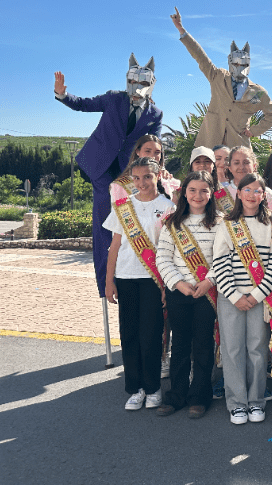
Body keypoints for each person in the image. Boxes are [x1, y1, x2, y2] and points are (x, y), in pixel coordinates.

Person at [53, 59, 162, 298]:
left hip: (129, 174)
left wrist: (158, 169)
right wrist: (63, 95)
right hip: (101, 168)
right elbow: (84, 104)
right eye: (132, 80)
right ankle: (105, 284)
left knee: (130, 223)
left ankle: (134, 275)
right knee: (104, 224)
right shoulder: (114, 98)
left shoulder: (155, 114)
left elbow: (155, 146)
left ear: (152, 84)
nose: (136, 86)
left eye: (143, 83)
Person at [103, 157, 174, 410]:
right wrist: (108, 281)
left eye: (147, 177)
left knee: (151, 335)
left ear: (157, 176)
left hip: (153, 279)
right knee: (129, 334)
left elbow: (170, 249)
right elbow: (114, 246)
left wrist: (166, 285)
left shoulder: (168, 207)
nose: (141, 182)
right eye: (136, 178)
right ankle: (135, 388)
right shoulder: (123, 207)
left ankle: (153, 388)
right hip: (125, 277)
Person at [212, 173, 272, 425]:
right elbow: (219, 261)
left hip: (260, 298)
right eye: (247, 190)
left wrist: (256, 295)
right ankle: (236, 403)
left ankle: (256, 401)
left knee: (257, 349)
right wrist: (234, 295)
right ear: (239, 193)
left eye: (257, 191)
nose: (252, 195)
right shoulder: (227, 223)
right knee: (232, 350)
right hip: (230, 297)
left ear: (264, 195)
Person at [155, 171, 222, 419]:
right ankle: (176, 395)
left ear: (211, 193)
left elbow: (223, 258)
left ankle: (199, 397)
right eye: (192, 190)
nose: (198, 195)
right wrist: (179, 283)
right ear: (184, 192)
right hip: (179, 292)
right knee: (180, 344)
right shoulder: (173, 223)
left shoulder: (220, 223)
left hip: (207, 293)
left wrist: (208, 282)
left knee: (203, 345)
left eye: (204, 190)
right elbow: (162, 258)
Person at [170, 7, 272, 148]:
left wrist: (254, 131)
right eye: (236, 63)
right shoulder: (218, 77)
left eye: (244, 64)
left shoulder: (258, 93)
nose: (240, 67)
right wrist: (181, 30)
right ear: (230, 62)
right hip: (210, 143)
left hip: (238, 148)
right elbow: (200, 57)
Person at [110, 135, 180, 203]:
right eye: (147, 151)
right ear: (137, 152)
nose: (152, 156)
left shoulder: (166, 179)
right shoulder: (121, 185)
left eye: (157, 152)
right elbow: (118, 209)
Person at [223, 146, 272, 213]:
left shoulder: (267, 193)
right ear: (230, 168)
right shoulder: (222, 195)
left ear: (254, 166)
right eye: (236, 163)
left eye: (246, 162)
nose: (241, 167)